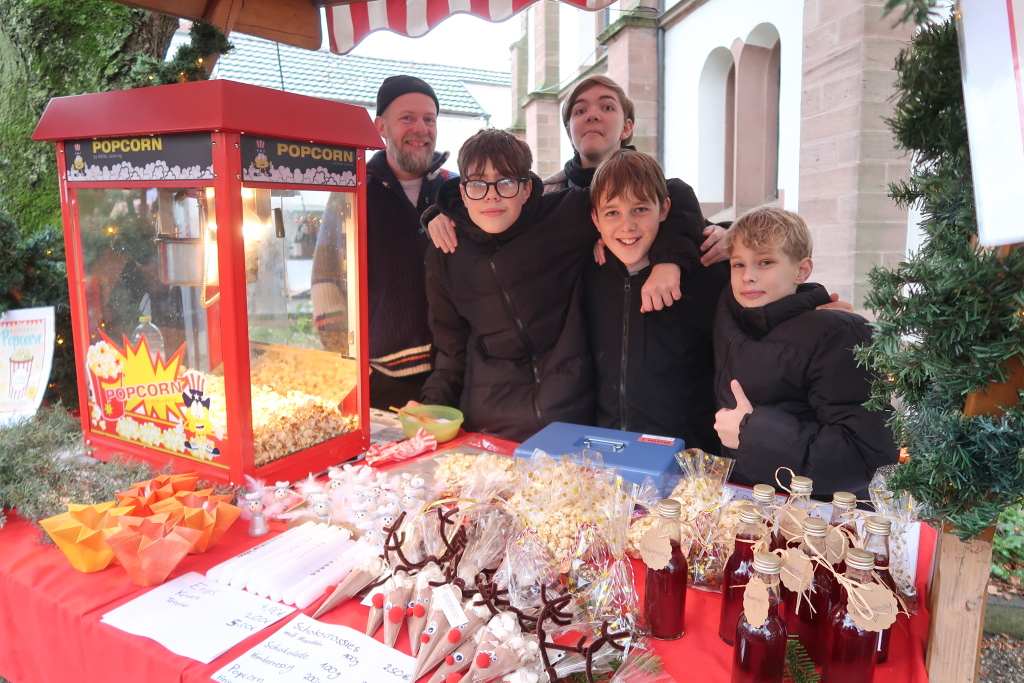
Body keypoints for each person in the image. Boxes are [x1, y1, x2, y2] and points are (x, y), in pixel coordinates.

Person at [419, 129, 696, 441]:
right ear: (463, 191)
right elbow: (450, 347)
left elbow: (662, 193)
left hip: (569, 419)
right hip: (490, 423)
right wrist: (431, 407)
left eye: (506, 181)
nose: (492, 195)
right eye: (478, 184)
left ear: (527, 188)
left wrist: (670, 258)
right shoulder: (445, 250)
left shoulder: (565, 216)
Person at [712, 206, 898, 497]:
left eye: (765, 262)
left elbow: (866, 456)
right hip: (746, 501)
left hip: (815, 512)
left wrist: (751, 432)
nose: (748, 276)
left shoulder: (839, 333)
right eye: (738, 265)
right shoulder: (733, 317)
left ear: (801, 270)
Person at [312, 75, 455, 409]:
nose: (421, 128)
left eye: (429, 119)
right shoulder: (353, 191)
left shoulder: (455, 190)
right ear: (381, 126)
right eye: (407, 118)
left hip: (455, 372)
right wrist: (349, 365)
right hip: (382, 379)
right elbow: (326, 280)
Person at [585, 149, 726, 452]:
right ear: (595, 219)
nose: (627, 226)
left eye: (640, 209)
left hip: (686, 453)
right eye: (612, 213)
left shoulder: (708, 271)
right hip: (606, 452)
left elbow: (764, 291)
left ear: (664, 210)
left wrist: (813, 302)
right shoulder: (588, 273)